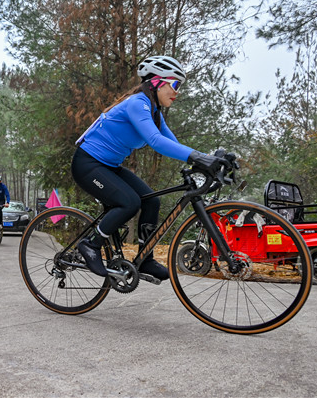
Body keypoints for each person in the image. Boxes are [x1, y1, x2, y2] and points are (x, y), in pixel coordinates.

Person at [71, 55, 230, 280]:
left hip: (109, 165)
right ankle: (90, 244)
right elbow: (155, 141)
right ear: (156, 82)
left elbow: (172, 144)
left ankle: (145, 259)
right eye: (175, 84)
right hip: (88, 163)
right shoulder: (137, 103)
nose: (177, 91)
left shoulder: (153, 112)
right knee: (129, 202)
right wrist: (198, 158)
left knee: (151, 200)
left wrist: (205, 159)